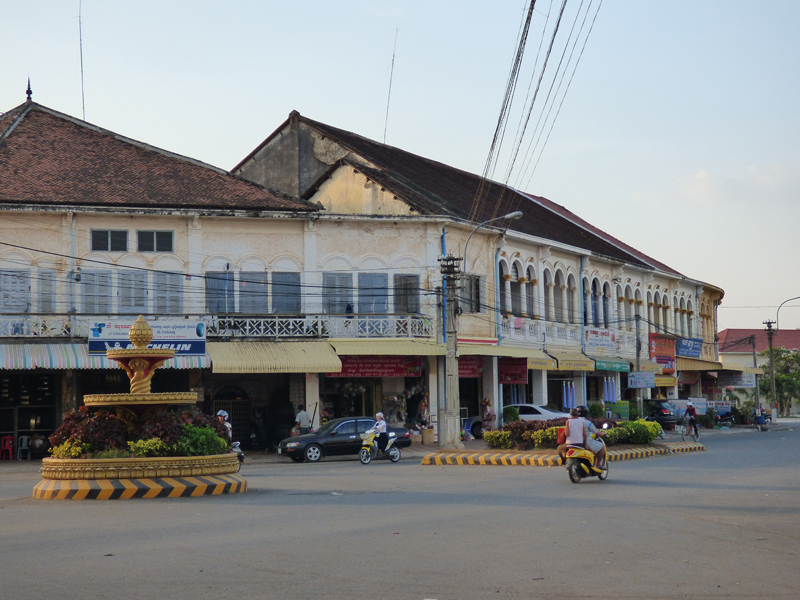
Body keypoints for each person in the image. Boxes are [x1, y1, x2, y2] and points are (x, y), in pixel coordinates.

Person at [577, 405, 606, 470]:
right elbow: (597, 433)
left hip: (574, 443)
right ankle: (598, 464)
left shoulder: (571, 422)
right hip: (586, 443)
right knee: (602, 447)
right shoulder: (587, 423)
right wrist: (603, 433)